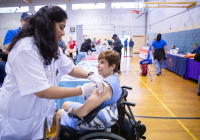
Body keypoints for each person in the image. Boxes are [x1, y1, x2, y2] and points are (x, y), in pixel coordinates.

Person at [0, 6, 106, 140]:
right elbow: (42, 91)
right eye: (61, 27)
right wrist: (81, 90)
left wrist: (90, 75)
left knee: (41, 135)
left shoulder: (50, 47)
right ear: (47, 25)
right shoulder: (26, 49)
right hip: (20, 113)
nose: (63, 33)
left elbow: (69, 68)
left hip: (41, 112)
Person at [49, 50, 122, 140]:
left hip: (96, 119)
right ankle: (56, 136)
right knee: (65, 104)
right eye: (98, 61)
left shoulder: (103, 86)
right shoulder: (114, 78)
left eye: (102, 62)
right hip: (103, 111)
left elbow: (81, 112)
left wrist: (73, 110)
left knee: (60, 113)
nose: (97, 65)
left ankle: (56, 137)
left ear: (113, 66)